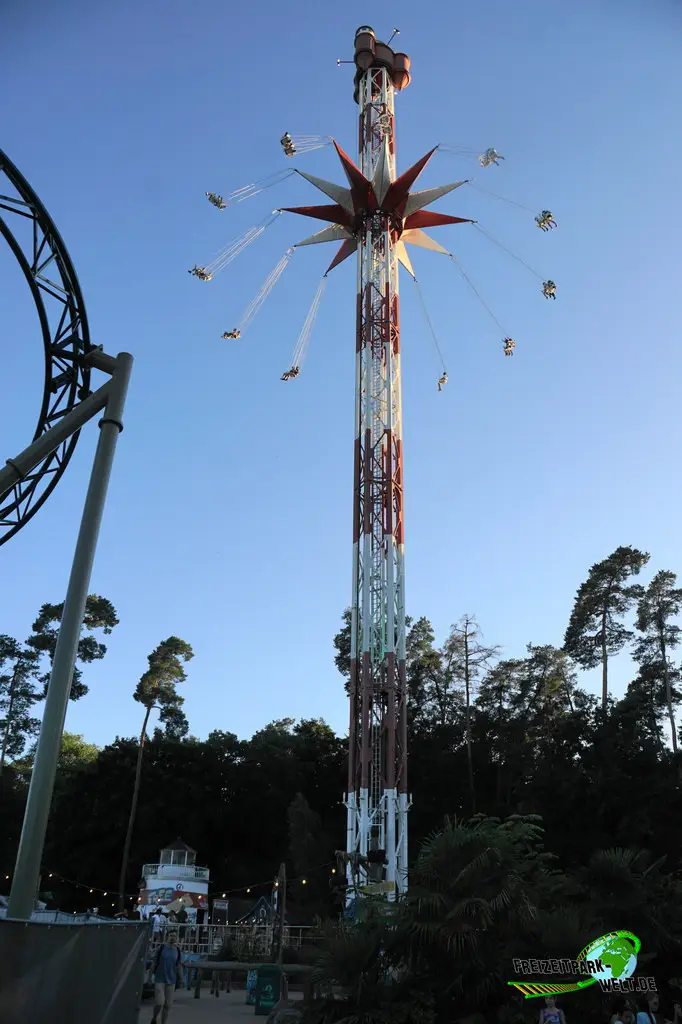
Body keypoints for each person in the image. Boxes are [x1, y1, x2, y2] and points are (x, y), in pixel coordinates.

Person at [152, 932, 184, 1023]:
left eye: (174, 936)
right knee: (159, 1003)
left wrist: (181, 979)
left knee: (168, 1005)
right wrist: (150, 976)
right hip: (160, 979)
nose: (172, 938)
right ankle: (154, 1018)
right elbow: (154, 962)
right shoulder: (161, 948)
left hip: (171, 980)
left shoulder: (177, 950)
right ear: (167, 937)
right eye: (171, 936)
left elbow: (179, 965)